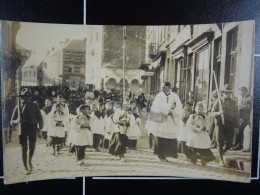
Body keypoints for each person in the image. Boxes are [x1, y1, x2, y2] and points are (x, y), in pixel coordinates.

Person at [145, 81, 183, 162]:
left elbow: (179, 107)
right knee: (160, 137)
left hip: (170, 119)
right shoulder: (159, 96)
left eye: (164, 87)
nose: (162, 88)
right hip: (161, 119)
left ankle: (169, 154)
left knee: (170, 136)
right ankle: (161, 155)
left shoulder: (175, 96)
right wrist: (168, 108)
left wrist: (172, 111)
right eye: (162, 87)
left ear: (169, 88)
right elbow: (156, 106)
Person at [10, 88, 43, 174]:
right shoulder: (17, 106)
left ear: (30, 97)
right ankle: (25, 166)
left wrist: (40, 130)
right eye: (24, 97)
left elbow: (40, 118)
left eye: (28, 97)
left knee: (32, 146)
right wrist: (17, 121)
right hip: (23, 128)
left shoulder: (35, 106)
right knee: (24, 148)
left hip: (32, 127)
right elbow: (11, 121)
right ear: (21, 97)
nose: (26, 98)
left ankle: (29, 161)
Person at [212, 84, 239, 166]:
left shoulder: (234, 103)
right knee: (220, 142)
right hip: (220, 125)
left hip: (230, 125)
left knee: (230, 143)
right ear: (223, 93)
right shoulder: (218, 102)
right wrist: (218, 113)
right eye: (226, 92)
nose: (228, 94)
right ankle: (221, 160)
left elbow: (237, 116)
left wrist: (237, 126)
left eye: (229, 92)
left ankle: (221, 154)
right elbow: (211, 113)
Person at [232, 86, 253, 151]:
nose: (240, 94)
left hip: (246, 118)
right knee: (240, 131)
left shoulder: (249, 98)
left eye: (240, 92)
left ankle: (239, 145)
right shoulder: (244, 98)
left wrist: (239, 106)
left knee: (240, 130)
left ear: (244, 91)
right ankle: (238, 145)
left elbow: (248, 108)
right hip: (243, 118)